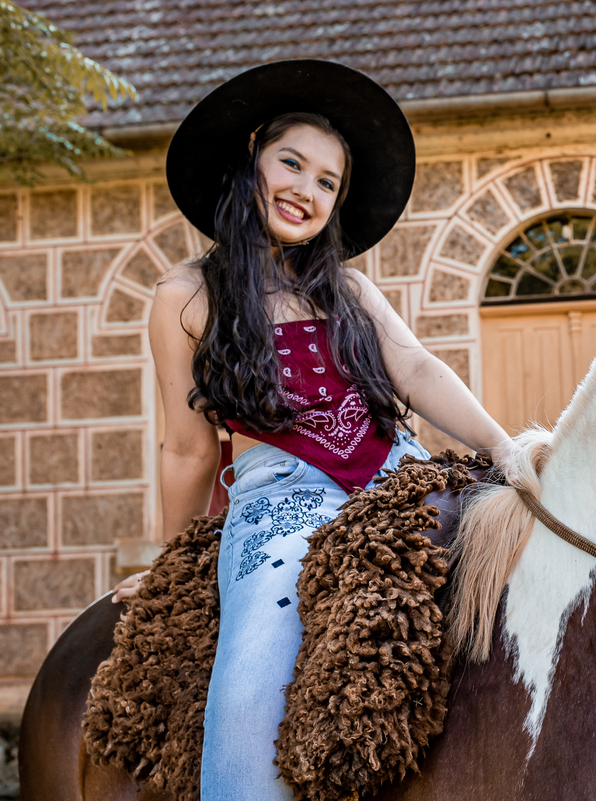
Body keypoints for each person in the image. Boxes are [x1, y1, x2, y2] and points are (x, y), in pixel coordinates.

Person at [112, 61, 514, 800]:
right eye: (291, 163)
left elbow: (415, 368)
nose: (307, 189)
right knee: (247, 699)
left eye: (328, 181)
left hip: (399, 478)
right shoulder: (184, 298)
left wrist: (504, 446)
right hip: (278, 504)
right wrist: (174, 566)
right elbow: (188, 448)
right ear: (251, 164)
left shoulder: (348, 288)